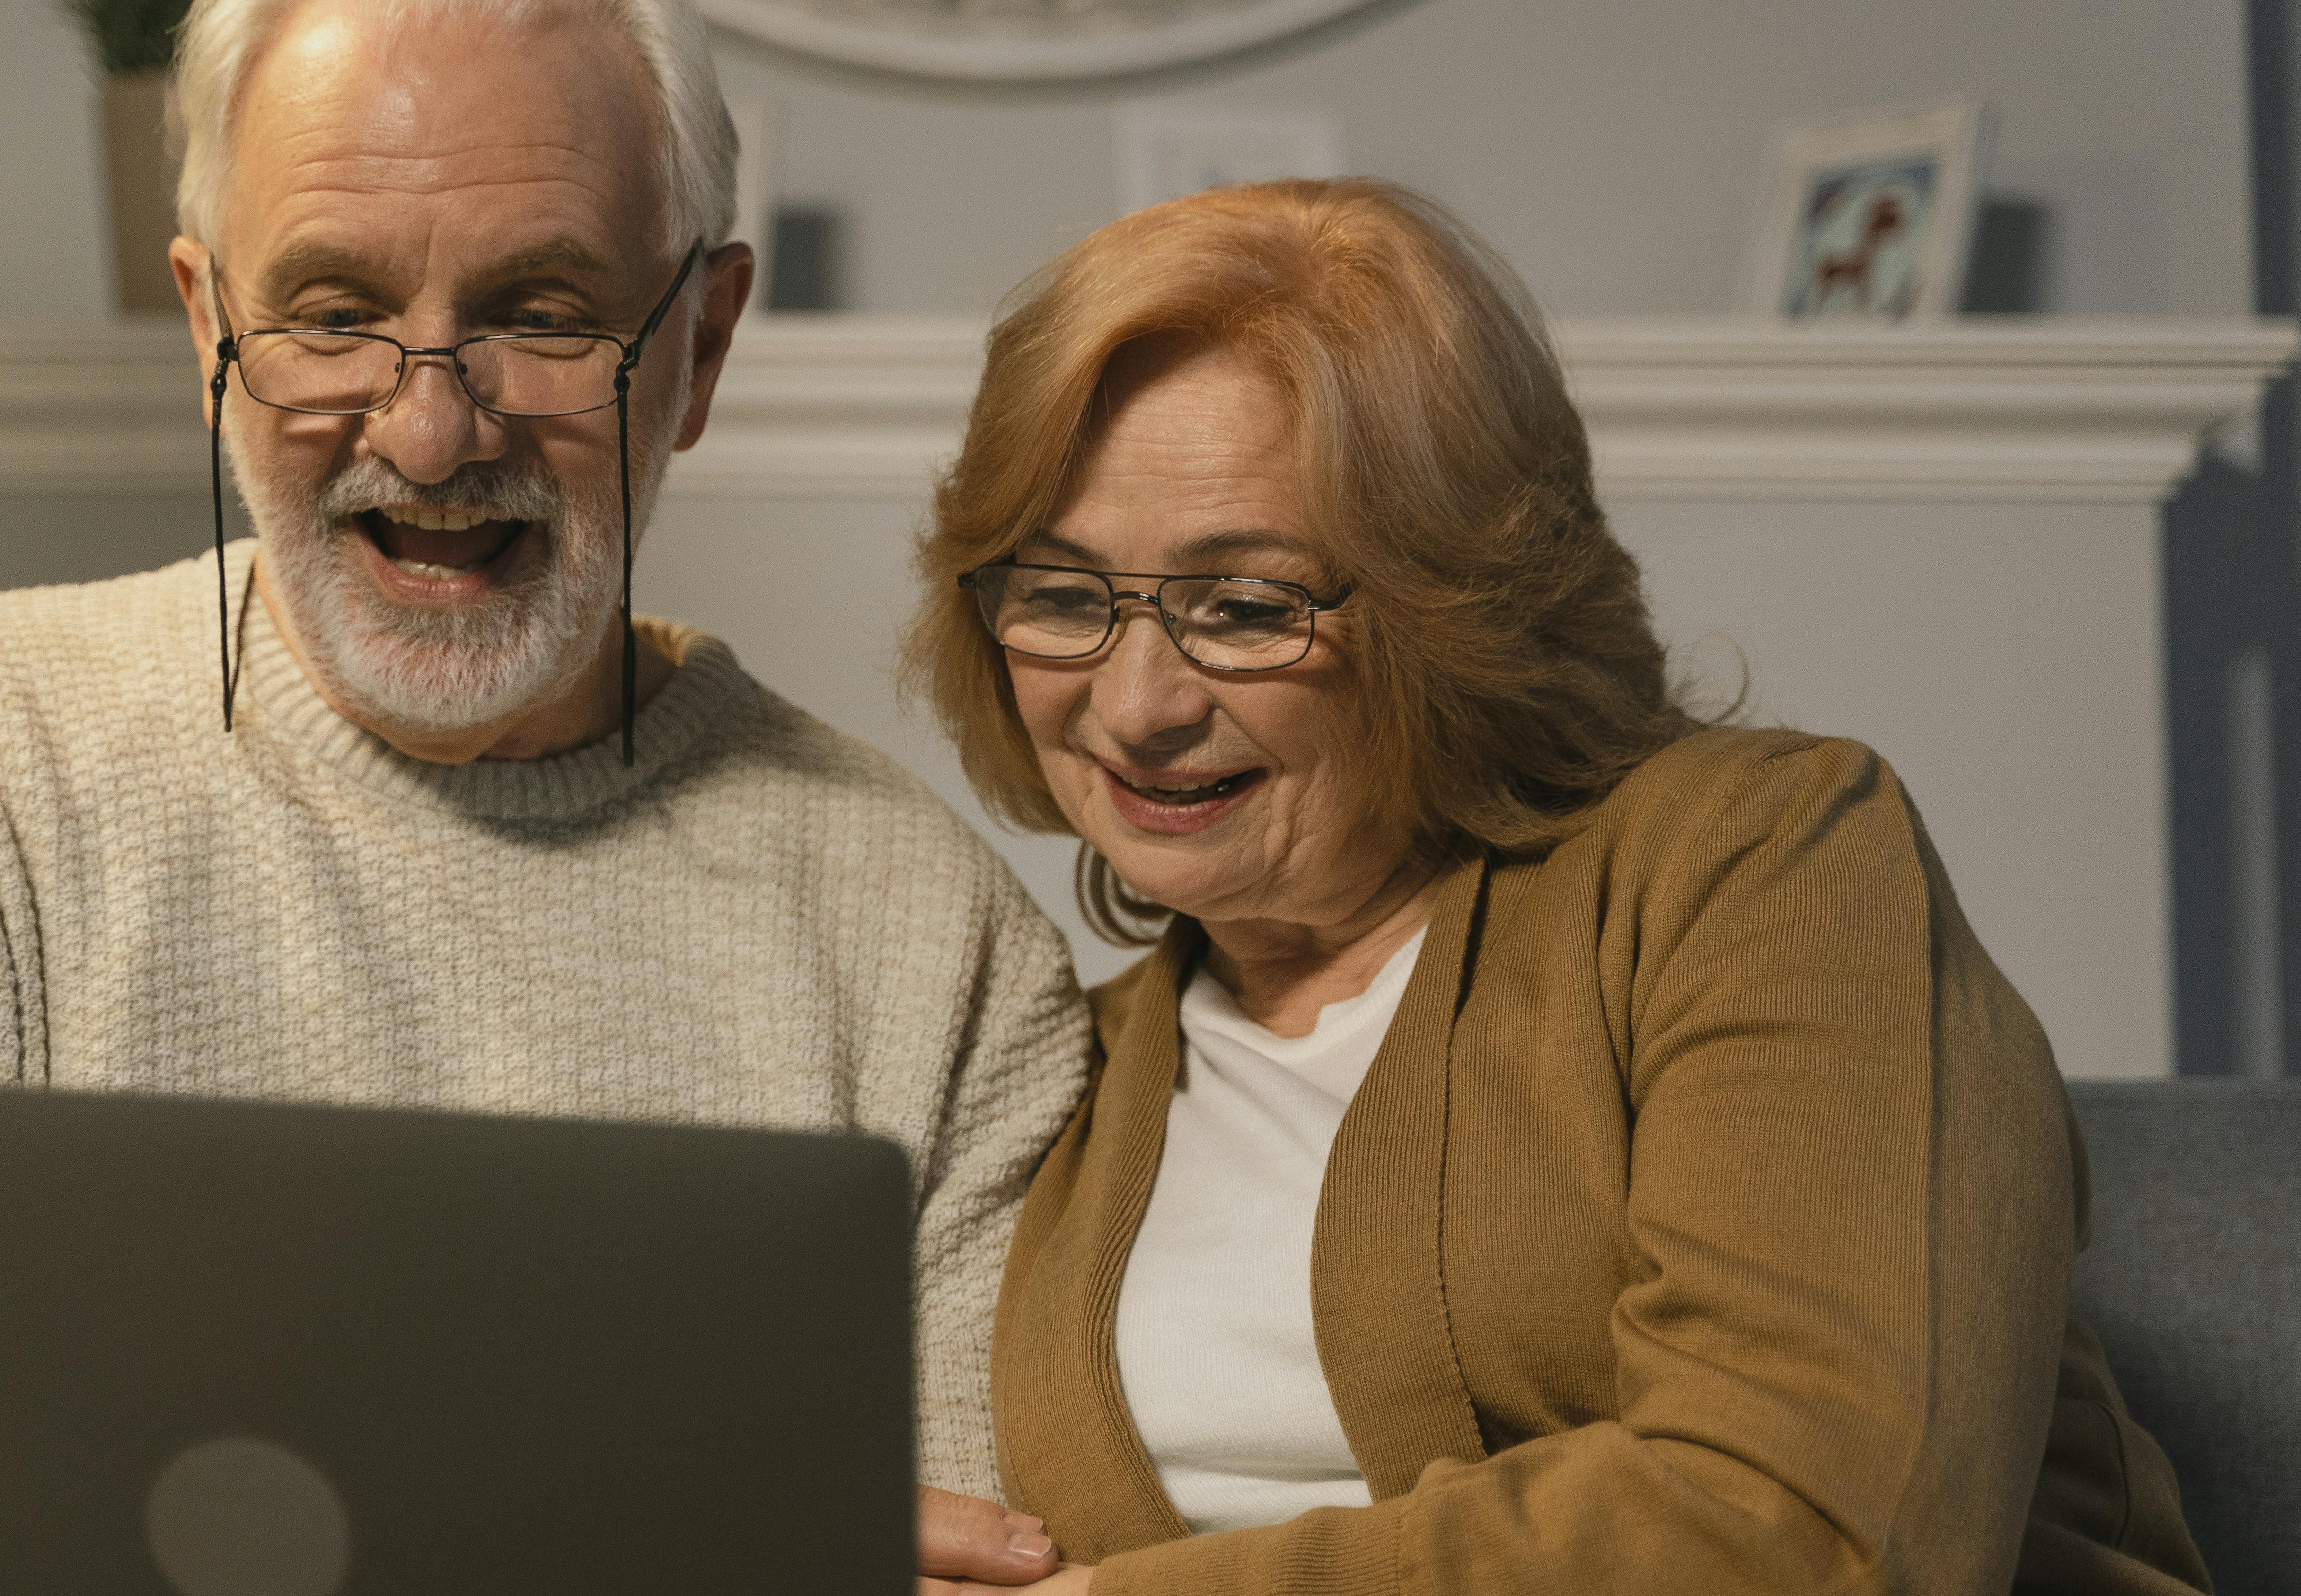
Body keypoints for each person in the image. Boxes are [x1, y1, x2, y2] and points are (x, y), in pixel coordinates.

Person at [0, 0, 1084, 1577]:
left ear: (702, 347)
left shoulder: (930, 941)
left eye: (543, 313)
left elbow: (978, 1568)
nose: (428, 425)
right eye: (331, 312)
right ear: (209, 334)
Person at [904, 179, 2208, 1595]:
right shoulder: (1050, 1075)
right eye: (1066, 595)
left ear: (1452, 608)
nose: (1138, 704)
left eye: (1247, 608)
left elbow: (1818, 1533)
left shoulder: (1761, 863)